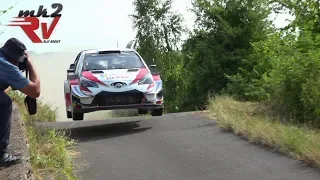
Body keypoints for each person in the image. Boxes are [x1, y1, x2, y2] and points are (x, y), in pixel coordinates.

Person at [0, 38, 40, 167]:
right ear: (14, 59)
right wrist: (30, 64)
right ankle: (1, 155)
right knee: (4, 102)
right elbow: (35, 91)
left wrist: (12, 83)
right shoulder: (6, 65)